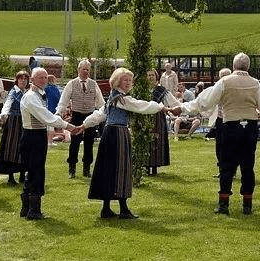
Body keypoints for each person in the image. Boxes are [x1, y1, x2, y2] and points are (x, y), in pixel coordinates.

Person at [172, 53, 260, 215]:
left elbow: (204, 102)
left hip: (230, 126)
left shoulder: (224, 82)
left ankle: (223, 204)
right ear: (248, 67)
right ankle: (247, 204)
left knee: (226, 165)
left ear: (234, 66)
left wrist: (182, 108)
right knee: (248, 166)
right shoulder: (255, 83)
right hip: (249, 127)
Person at [81, 67, 171, 219]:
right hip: (117, 135)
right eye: (125, 80)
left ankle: (107, 208)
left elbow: (100, 114)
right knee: (121, 168)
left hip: (111, 134)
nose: (129, 83)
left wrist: (84, 125)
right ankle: (122, 208)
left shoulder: (113, 97)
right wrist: (161, 107)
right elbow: (140, 106)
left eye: (130, 80)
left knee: (109, 168)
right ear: (117, 81)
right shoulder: (121, 99)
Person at [19, 67, 78, 220]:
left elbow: (47, 117)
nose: (44, 80)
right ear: (32, 79)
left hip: (37, 135)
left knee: (34, 171)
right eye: (40, 78)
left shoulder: (39, 95)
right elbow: (46, 117)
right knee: (35, 172)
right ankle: (33, 210)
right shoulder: (31, 97)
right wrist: (68, 126)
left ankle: (27, 209)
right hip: (32, 136)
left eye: (45, 77)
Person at [56, 59, 106, 178]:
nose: (86, 72)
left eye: (88, 69)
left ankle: (86, 169)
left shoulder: (94, 84)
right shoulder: (71, 84)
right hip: (77, 116)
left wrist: (103, 113)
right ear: (78, 70)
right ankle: (72, 169)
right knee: (74, 143)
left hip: (90, 116)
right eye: (84, 69)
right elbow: (63, 101)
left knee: (89, 143)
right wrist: (58, 113)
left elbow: (101, 103)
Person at [0, 71, 29, 185]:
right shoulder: (13, 92)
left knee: (24, 147)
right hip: (13, 122)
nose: (23, 81)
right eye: (21, 79)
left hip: (24, 122)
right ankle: (11, 176)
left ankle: (23, 175)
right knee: (11, 149)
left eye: (25, 79)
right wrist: (3, 114)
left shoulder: (27, 93)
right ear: (17, 80)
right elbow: (7, 104)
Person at [146, 69, 180, 175]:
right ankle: (145, 166)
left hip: (157, 118)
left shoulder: (161, 90)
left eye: (152, 75)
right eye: (148, 75)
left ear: (156, 77)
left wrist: (180, 108)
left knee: (157, 141)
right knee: (146, 141)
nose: (150, 77)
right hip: (144, 117)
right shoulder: (142, 90)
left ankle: (155, 167)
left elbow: (173, 102)